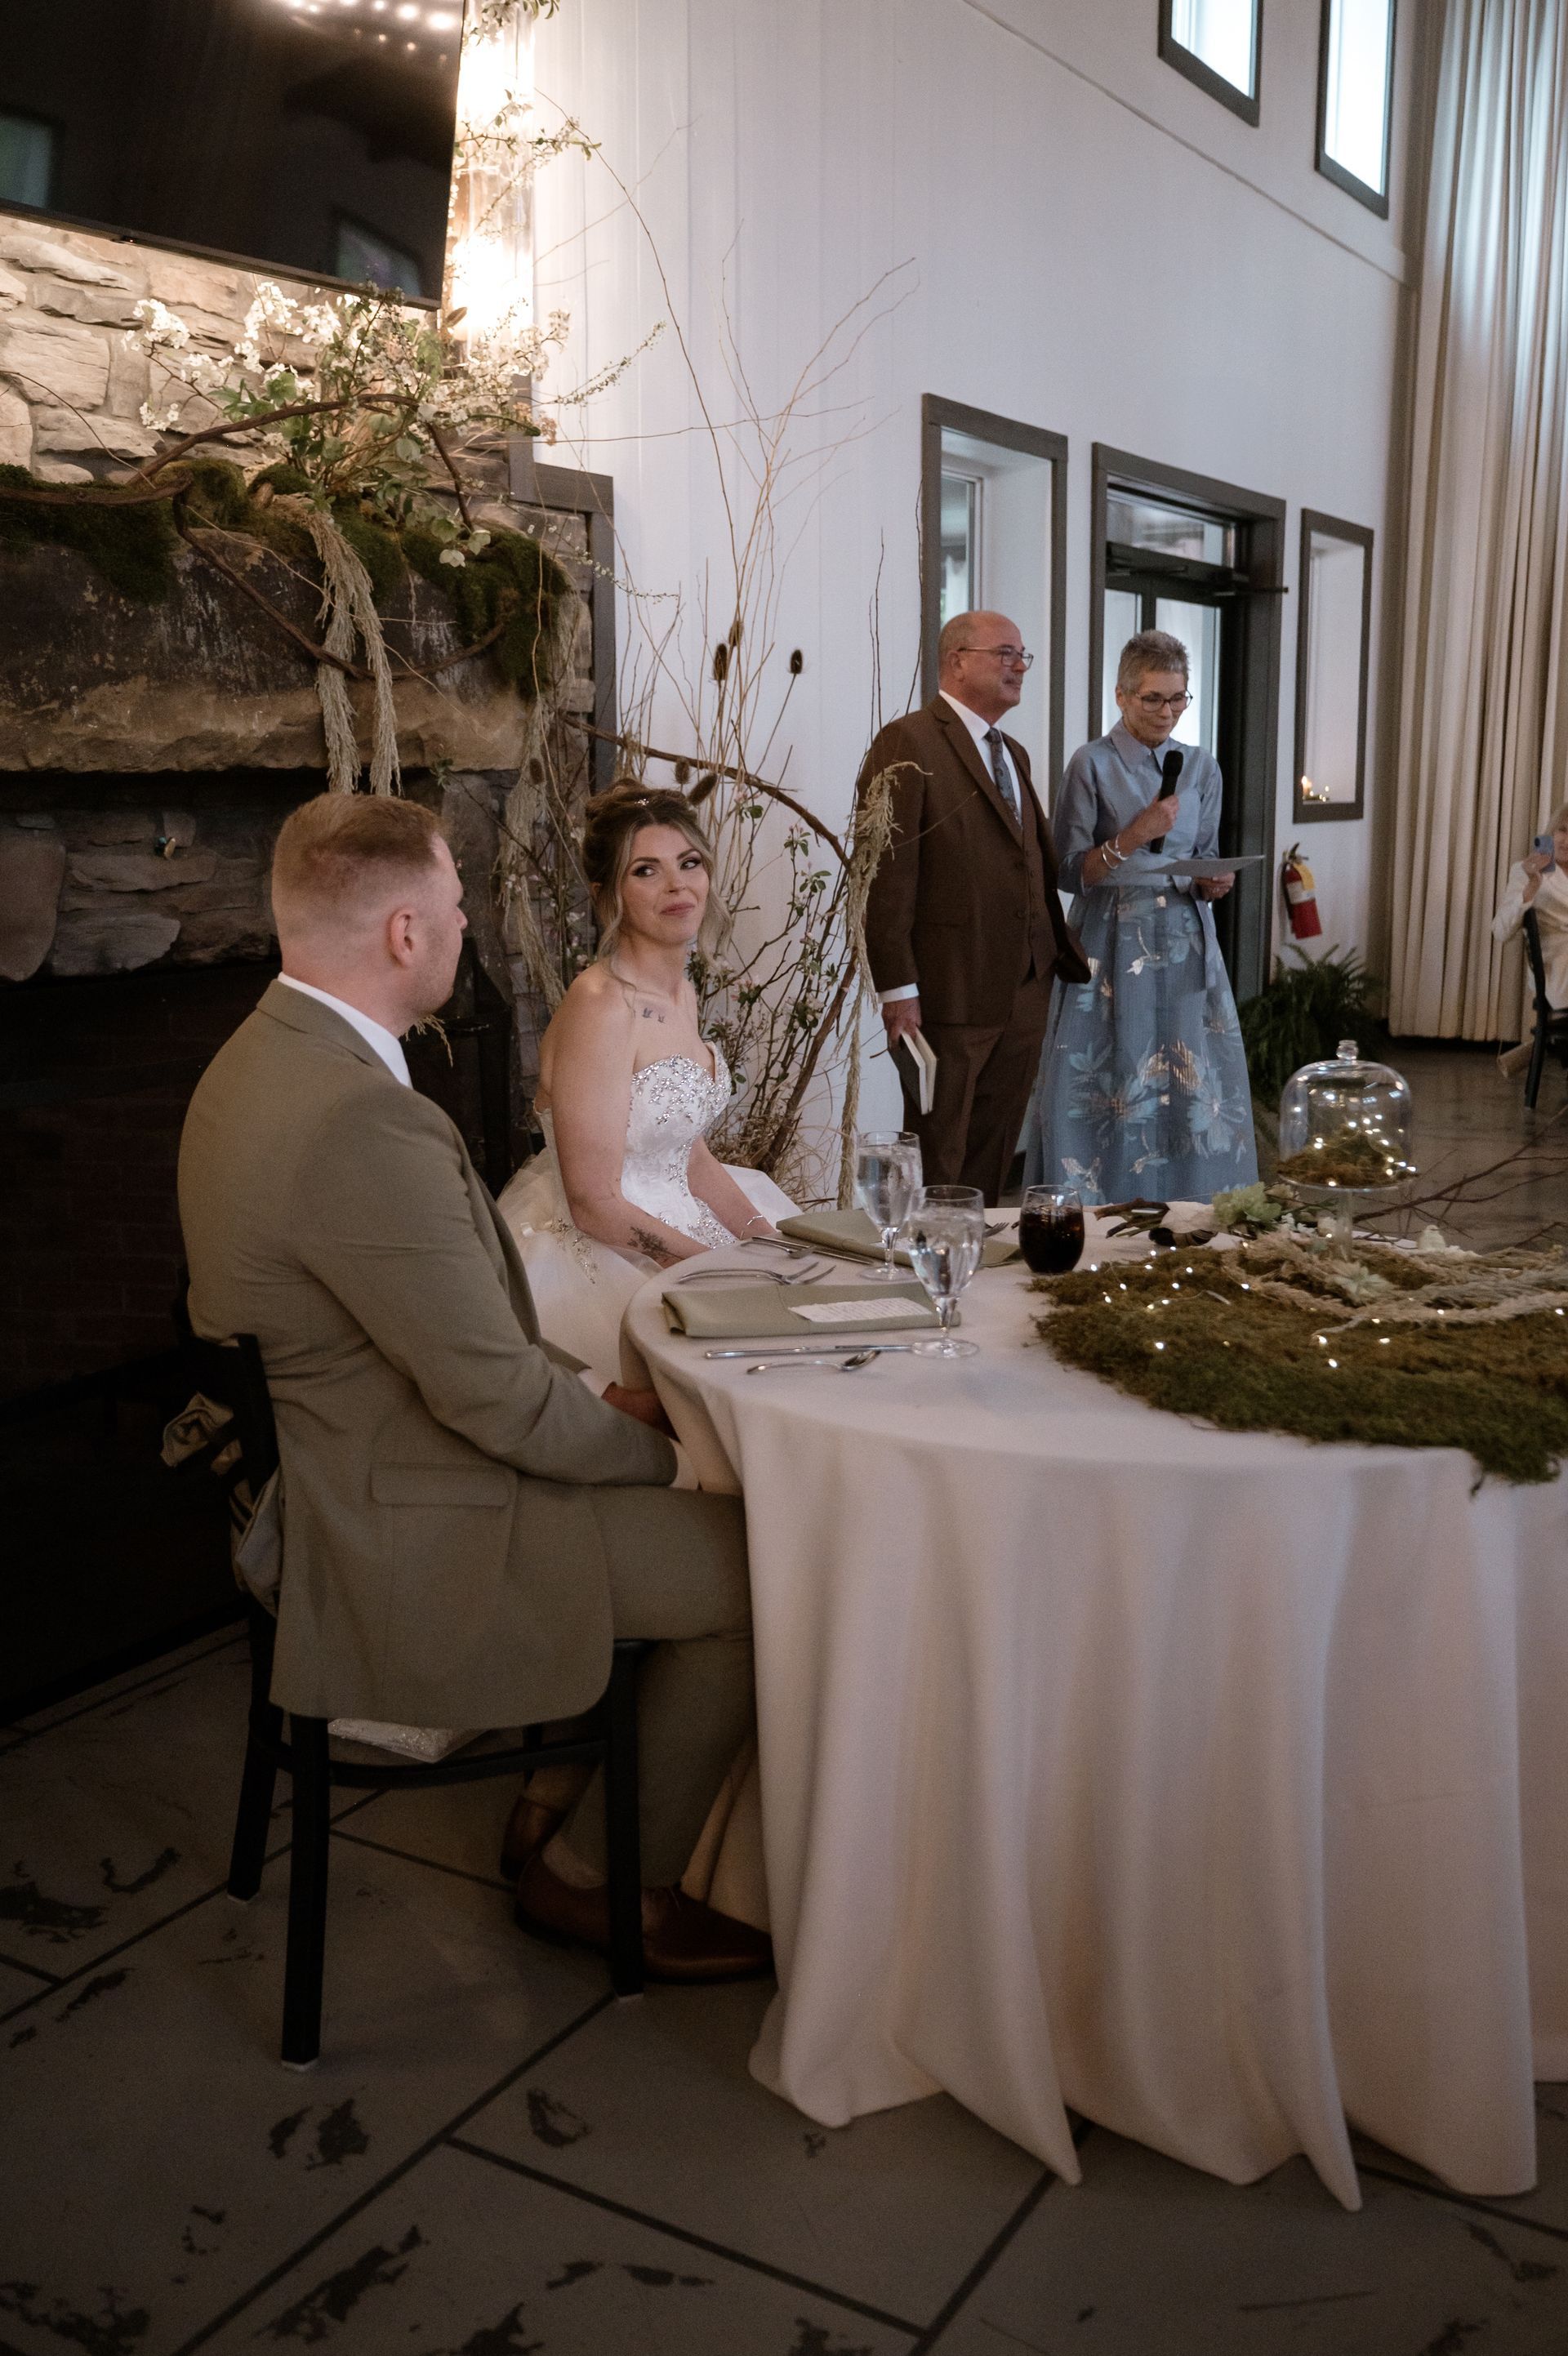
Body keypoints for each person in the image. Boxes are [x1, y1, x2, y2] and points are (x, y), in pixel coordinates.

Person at [177, 791, 770, 1981]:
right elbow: (493, 1401)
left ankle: (560, 1791)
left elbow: (444, 1346)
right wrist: (665, 1450)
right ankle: (604, 1881)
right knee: (751, 1568)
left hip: (343, 1461)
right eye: (455, 909)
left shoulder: (252, 1061)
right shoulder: (360, 1122)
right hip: (393, 1525)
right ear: (405, 933)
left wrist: (597, 1405)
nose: (466, 931)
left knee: (637, 1461)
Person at [497, 781, 796, 1387]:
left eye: (689, 863)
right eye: (647, 871)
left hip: (682, 1224)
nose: (678, 885)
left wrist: (761, 1237)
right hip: (606, 1250)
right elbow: (593, 1204)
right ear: (607, 895)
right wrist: (713, 1267)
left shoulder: (681, 991)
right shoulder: (602, 1008)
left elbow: (683, 1151)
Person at [858, 611, 1089, 1199]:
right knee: (941, 1150)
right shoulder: (907, 741)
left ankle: (975, 1257)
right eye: (1005, 653)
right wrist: (897, 990)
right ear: (957, 659)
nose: (1019, 666)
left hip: (1025, 987)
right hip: (949, 991)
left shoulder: (1012, 750)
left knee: (996, 1144)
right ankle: (925, 1267)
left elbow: (1025, 860)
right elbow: (884, 876)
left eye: (1023, 656)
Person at [1022, 629, 1258, 1205]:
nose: (1168, 711)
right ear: (1122, 696)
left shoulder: (1202, 767)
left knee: (1189, 1079)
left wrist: (1213, 880)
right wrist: (1132, 837)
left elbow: (1202, 854)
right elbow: (1068, 873)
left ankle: (1189, 1204)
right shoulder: (1091, 765)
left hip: (1184, 942)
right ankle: (1098, 1207)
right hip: (1110, 942)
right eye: (1154, 698)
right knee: (1110, 1081)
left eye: (1179, 698)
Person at [1493, 802, 1568, 1072]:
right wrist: (1531, 888)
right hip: (1555, 970)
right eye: (1562, 830)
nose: (1566, 840)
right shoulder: (1526, 871)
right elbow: (1501, 930)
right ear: (1552, 831)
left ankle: (1546, 1046)